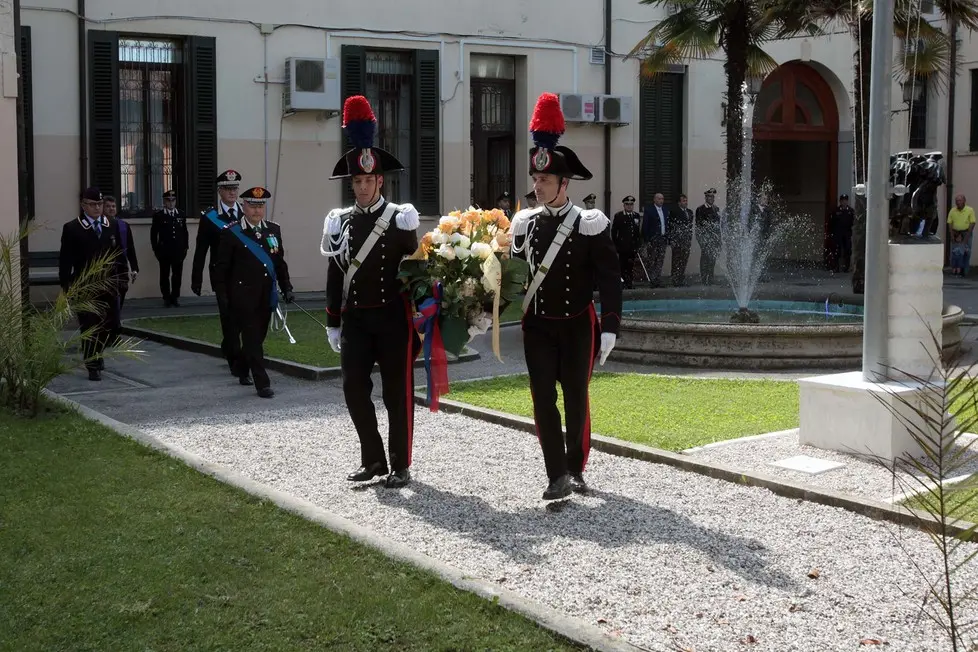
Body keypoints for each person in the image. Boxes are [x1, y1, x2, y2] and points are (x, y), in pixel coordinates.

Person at [509, 92, 623, 501]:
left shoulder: (590, 224)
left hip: (577, 325)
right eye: (535, 180)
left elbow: (610, 278)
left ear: (564, 183)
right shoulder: (523, 224)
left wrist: (609, 326)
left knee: (576, 399)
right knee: (542, 398)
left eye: (544, 181)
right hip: (538, 326)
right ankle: (555, 474)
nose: (537, 187)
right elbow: (511, 277)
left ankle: (575, 468)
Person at [321, 95, 422, 489]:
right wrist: (333, 320)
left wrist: (425, 312)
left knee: (396, 395)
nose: (362, 187)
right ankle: (373, 458)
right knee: (353, 391)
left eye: (369, 180)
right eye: (357, 181)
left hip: (393, 320)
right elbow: (334, 272)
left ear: (381, 180)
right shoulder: (339, 221)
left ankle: (400, 464)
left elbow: (415, 271)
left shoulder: (400, 219)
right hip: (357, 321)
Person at [213, 186, 293, 398]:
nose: (257, 211)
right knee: (252, 338)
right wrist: (223, 298)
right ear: (243, 206)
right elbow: (221, 269)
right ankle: (262, 383)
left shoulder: (273, 230)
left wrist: (287, 287)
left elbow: (279, 262)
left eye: (260, 206)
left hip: (266, 296)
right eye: (252, 205)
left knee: (258, 337)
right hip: (242, 296)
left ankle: (241, 367)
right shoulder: (232, 232)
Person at [58, 187, 125, 381]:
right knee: (89, 325)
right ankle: (92, 364)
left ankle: (98, 351)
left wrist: (122, 280)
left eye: (100, 204)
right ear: (83, 205)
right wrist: (67, 287)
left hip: (109, 286)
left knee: (109, 325)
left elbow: (119, 254)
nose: (97, 208)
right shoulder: (72, 228)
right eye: (93, 204)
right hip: (85, 287)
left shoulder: (111, 225)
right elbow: (65, 261)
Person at [191, 169, 245, 374]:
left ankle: (227, 346)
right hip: (221, 277)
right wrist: (196, 279)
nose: (232, 192)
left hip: (243, 276)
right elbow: (201, 249)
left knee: (240, 319)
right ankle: (236, 363)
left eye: (235, 188)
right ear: (219, 191)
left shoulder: (245, 213)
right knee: (228, 318)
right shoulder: (210, 217)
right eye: (228, 189)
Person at [151, 189, 190, 307]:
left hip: (178, 251)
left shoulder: (181, 214)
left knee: (177, 275)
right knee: (164, 275)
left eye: (173, 200)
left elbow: (185, 232)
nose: (171, 203)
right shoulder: (159, 216)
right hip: (164, 251)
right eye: (168, 201)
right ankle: (166, 297)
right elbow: (153, 234)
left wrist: (185, 248)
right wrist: (155, 249)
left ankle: (175, 297)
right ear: (164, 201)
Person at [102, 195, 139, 309]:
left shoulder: (123, 226)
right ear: (102, 208)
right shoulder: (98, 226)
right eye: (108, 206)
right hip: (104, 268)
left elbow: (130, 248)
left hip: (120, 267)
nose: (111, 209)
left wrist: (134, 268)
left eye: (113, 206)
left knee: (121, 294)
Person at [611, 195, 641, 288]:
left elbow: (637, 232)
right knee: (622, 266)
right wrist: (616, 246)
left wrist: (638, 245)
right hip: (623, 247)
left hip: (632, 247)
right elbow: (614, 231)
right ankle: (622, 283)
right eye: (627, 204)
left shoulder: (636, 216)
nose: (629, 206)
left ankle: (629, 283)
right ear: (624, 205)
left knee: (630, 266)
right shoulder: (619, 216)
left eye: (631, 204)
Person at [695, 188, 722, 285]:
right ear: (706, 197)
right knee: (705, 258)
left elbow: (718, 225)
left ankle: (710, 278)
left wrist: (719, 239)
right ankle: (704, 279)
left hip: (714, 238)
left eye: (713, 197)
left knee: (712, 259)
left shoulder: (716, 208)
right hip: (705, 239)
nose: (711, 199)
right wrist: (702, 239)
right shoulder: (700, 209)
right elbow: (699, 224)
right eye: (709, 197)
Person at [670, 194, 694, 286]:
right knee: (676, 261)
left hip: (686, 241)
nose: (685, 202)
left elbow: (690, 226)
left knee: (684, 260)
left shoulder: (690, 212)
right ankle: (675, 280)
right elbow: (671, 226)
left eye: (686, 200)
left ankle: (681, 278)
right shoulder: (674, 211)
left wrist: (689, 239)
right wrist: (672, 240)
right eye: (683, 201)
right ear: (679, 202)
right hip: (677, 241)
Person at [828, 193, 855, 274]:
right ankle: (836, 267)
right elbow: (831, 222)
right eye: (842, 201)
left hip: (847, 233)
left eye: (845, 200)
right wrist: (832, 233)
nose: (844, 202)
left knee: (847, 250)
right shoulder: (836, 211)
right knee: (836, 251)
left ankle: (846, 267)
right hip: (838, 233)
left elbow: (853, 222)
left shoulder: (850, 211)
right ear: (840, 201)